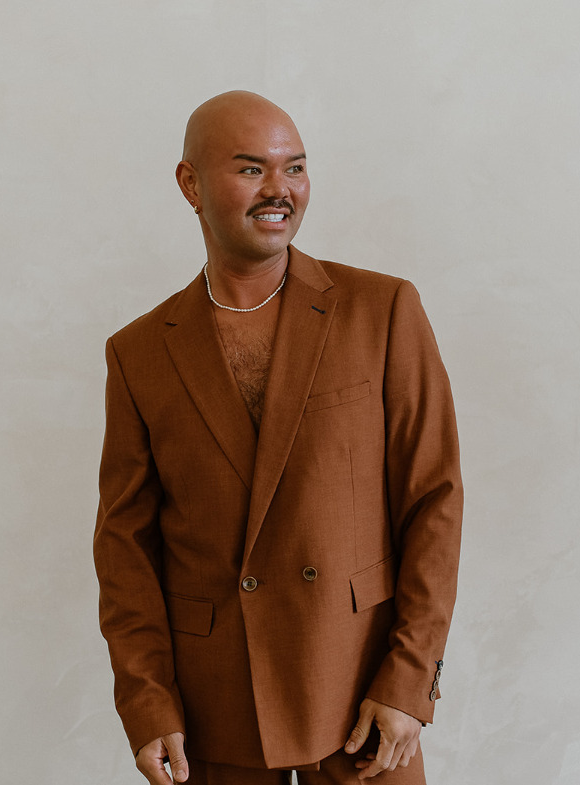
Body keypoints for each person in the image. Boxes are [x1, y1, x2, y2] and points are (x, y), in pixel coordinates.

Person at [93, 91, 463, 785]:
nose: (279, 190)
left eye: (293, 167)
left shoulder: (381, 310)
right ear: (189, 184)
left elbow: (433, 500)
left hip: (364, 698)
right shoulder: (138, 352)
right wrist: (146, 701)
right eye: (250, 169)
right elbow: (125, 552)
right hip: (214, 710)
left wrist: (410, 679)